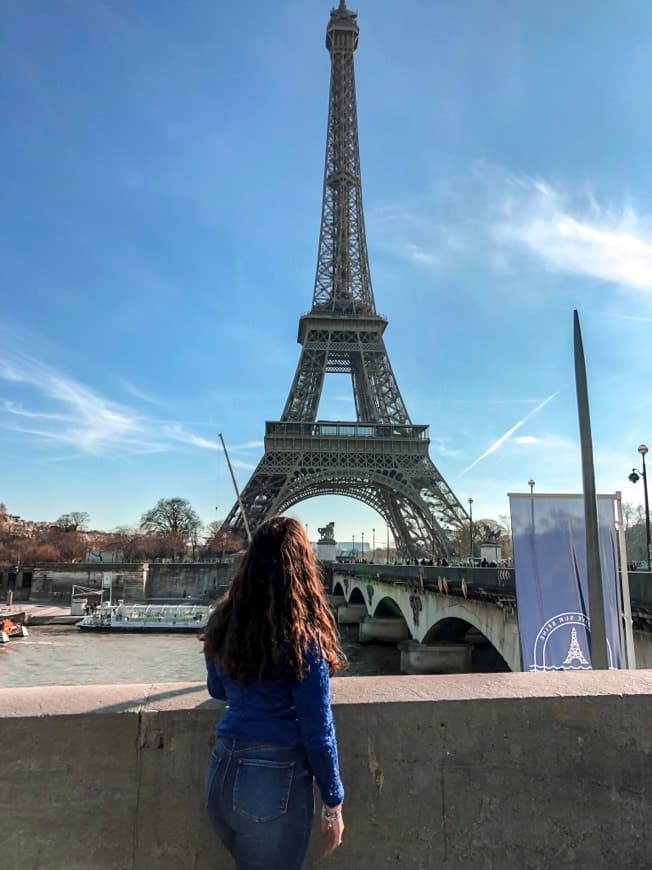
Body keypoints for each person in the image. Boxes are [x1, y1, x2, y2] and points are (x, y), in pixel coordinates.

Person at [203, 516, 347, 869]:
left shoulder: (222, 621)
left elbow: (217, 688)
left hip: (221, 771)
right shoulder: (304, 638)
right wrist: (333, 801)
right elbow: (317, 729)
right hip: (271, 780)